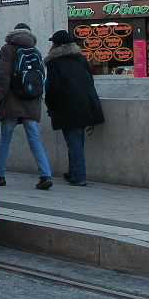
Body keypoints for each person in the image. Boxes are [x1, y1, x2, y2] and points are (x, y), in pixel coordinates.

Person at [0, 22, 52, 190]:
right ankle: (45, 175)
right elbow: (40, 79)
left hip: (12, 102)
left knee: (5, 138)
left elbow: (3, 76)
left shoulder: (8, 49)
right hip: (31, 102)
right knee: (34, 139)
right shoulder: (35, 51)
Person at [44, 30, 105, 186]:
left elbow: (52, 87)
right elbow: (89, 81)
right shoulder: (80, 59)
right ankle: (73, 172)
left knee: (73, 141)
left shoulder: (54, 62)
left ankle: (78, 175)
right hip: (85, 103)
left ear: (57, 45)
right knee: (77, 140)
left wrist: (50, 106)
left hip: (67, 106)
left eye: (53, 43)